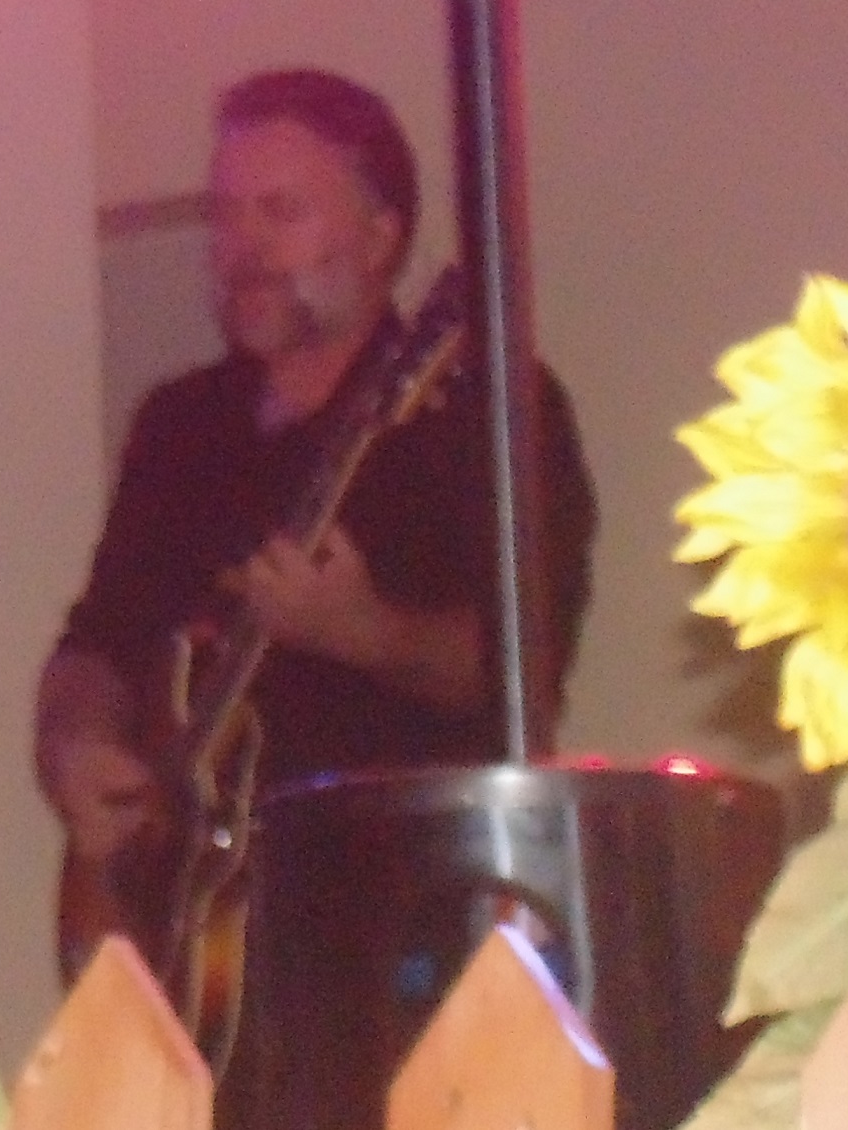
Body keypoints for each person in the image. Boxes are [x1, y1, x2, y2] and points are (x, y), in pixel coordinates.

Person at [35, 67, 597, 926]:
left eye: (282, 212)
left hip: (401, 909)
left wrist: (368, 633)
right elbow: (97, 644)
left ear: (378, 240)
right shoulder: (179, 426)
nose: (242, 246)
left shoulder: (484, 410)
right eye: (225, 214)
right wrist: (75, 744)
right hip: (196, 926)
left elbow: (523, 671)